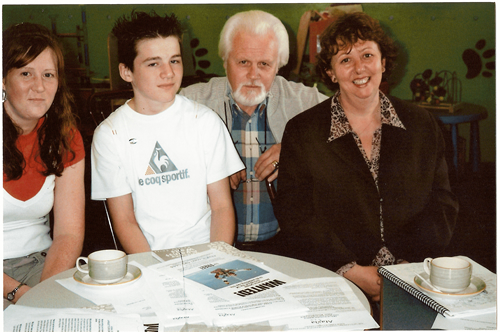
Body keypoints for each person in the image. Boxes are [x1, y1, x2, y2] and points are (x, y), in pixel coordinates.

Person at [275, 12, 458, 302]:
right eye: (345, 60)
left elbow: (442, 203)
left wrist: (406, 265)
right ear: (331, 72)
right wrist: (349, 270)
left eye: (368, 55)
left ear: (383, 62)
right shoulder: (302, 130)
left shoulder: (422, 124)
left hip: (414, 274)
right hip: (334, 279)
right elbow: (295, 212)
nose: (360, 68)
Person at [91, 11, 244, 253]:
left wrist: (218, 261)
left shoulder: (204, 121)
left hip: (210, 252)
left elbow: (222, 207)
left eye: (174, 60)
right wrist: (155, 271)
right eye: (153, 63)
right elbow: (125, 221)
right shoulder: (110, 134)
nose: (169, 73)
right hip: (149, 259)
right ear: (126, 72)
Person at [180, 10, 328, 252]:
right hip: (208, 246)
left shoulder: (305, 101)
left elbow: (354, 122)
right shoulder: (191, 102)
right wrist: (209, 169)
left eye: (264, 64)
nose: (253, 75)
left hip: (288, 247)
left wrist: (295, 149)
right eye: (243, 62)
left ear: (278, 66)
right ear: (225, 60)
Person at [3, 23, 85, 307]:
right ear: (3, 80)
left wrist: (46, 293)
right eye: (26, 73)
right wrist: (18, 294)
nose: (39, 87)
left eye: (48, 75)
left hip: (44, 265)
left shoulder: (65, 135)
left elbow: (68, 233)